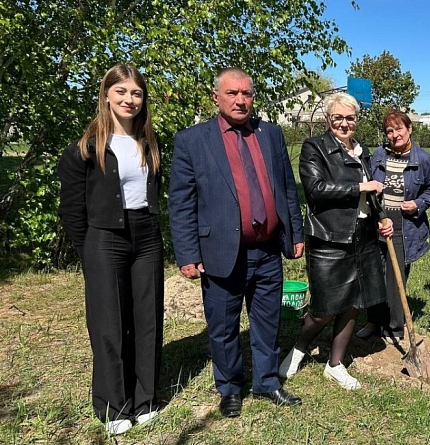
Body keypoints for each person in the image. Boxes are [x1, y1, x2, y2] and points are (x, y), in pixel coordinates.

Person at [168, 67, 304, 418]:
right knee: (224, 326)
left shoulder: (270, 134)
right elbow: (182, 202)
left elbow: (287, 189)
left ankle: (268, 382)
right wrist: (186, 253)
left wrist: (296, 235)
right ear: (216, 97)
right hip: (221, 252)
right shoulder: (193, 140)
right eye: (232, 93)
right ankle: (229, 387)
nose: (241, 100)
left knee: (268, 322)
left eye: (247, 93)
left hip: (268, 250)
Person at [57, 64, 163, 435]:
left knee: (147, 319)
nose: (129, 100)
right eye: (121, 92)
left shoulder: (149, 142)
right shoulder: (86, 149)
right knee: (109, 324)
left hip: (147, 236)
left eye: (136, 93)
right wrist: (87, 249)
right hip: (104, 239)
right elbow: (71, 209)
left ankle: (145, 399)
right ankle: (114, 406)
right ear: (106, 95)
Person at [279, 92, 393, 390]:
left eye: (350, 118)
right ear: (328, 120)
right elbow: (315, 189)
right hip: (329, 237)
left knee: (354, 302)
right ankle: (300, 348)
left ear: (357, 119)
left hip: (363, 235)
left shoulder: (361, 150)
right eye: (338, 118)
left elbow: (372, 192)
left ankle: (335, 364)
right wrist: (359, 186)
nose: (344, 123)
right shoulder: (314, 147)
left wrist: (382, 217)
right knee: (325, 307)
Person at [355, 110, 430, 343]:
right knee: (374, 274)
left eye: (399, 129)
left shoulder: (422, 159)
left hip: (405, 225)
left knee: (396, 278)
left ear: (409, 129)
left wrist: (418, 204)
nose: (394, 135)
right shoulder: (379, 155)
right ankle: (374, 321)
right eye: (389, 131)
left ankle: (394, 328)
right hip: (379, 221)